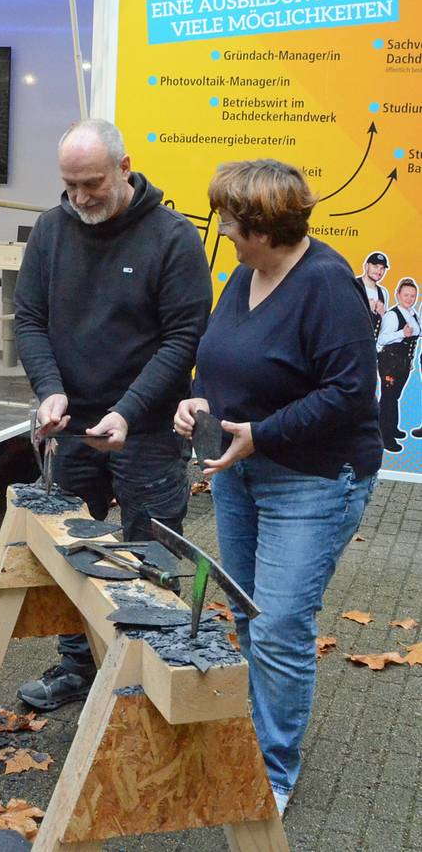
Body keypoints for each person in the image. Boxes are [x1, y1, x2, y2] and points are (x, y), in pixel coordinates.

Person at [174, 159, 381, 818]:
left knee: (282, 624)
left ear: (264, 227)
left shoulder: (326, 285)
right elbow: (220, 360)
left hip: (316, 480)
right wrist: (196, 401)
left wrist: (261, 434)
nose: (224, 230)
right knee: (248, 614)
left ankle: (271, 769)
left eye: (232, 221)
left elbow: (351, 395)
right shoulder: (244, 274)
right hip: (243, 471)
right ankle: (263, 729)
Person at [14, 119, 212, 710]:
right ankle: (78, 664)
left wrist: (127, 411)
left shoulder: (173, 238)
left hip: (147, 432)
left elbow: (183, 339)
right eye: (69, 185)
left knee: (150, 551)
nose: (80, 197)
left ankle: (153, 676)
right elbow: (29, 319)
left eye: (92, 182)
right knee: (75, 551)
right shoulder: (51, 230)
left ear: (125, 167)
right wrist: (50, 388)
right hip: (70, 427)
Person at [376, 277, 420, 452]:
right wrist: (402, 332)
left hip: (403, 363)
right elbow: (382, 339)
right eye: (406, 295)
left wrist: (408, 360)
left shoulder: (412, 313)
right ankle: (384, 436)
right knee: (388, 398)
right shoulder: (392, 315)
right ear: (398, 294)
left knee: (394, 397)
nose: (409, 299)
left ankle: (392, 428)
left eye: (413, 296)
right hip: (389, 363)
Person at [357, 250, 390, 338]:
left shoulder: (383, 292)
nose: (379, 271)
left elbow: (384, 327)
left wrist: (383, 314)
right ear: (366, 266)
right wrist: (366, 309)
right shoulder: (353, 285)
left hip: (371, 346)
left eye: (382, 268)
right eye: (375, 266)